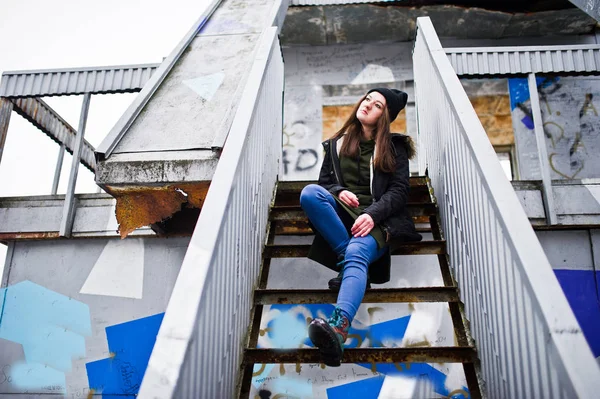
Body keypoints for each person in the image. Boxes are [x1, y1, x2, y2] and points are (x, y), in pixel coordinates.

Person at [299, 88, 422, 367]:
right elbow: (324, 184)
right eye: (367, 99)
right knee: (309, 193)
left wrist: (373, 214)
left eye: (377, 104)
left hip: (380, 220)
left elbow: (400, 191)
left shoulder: (394, 147)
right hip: (344, 217)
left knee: (356, 251)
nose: (368, 105)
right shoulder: (337, 143)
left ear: (384, 116)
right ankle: (348, 264)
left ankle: (338, 328)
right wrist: (339, 191)